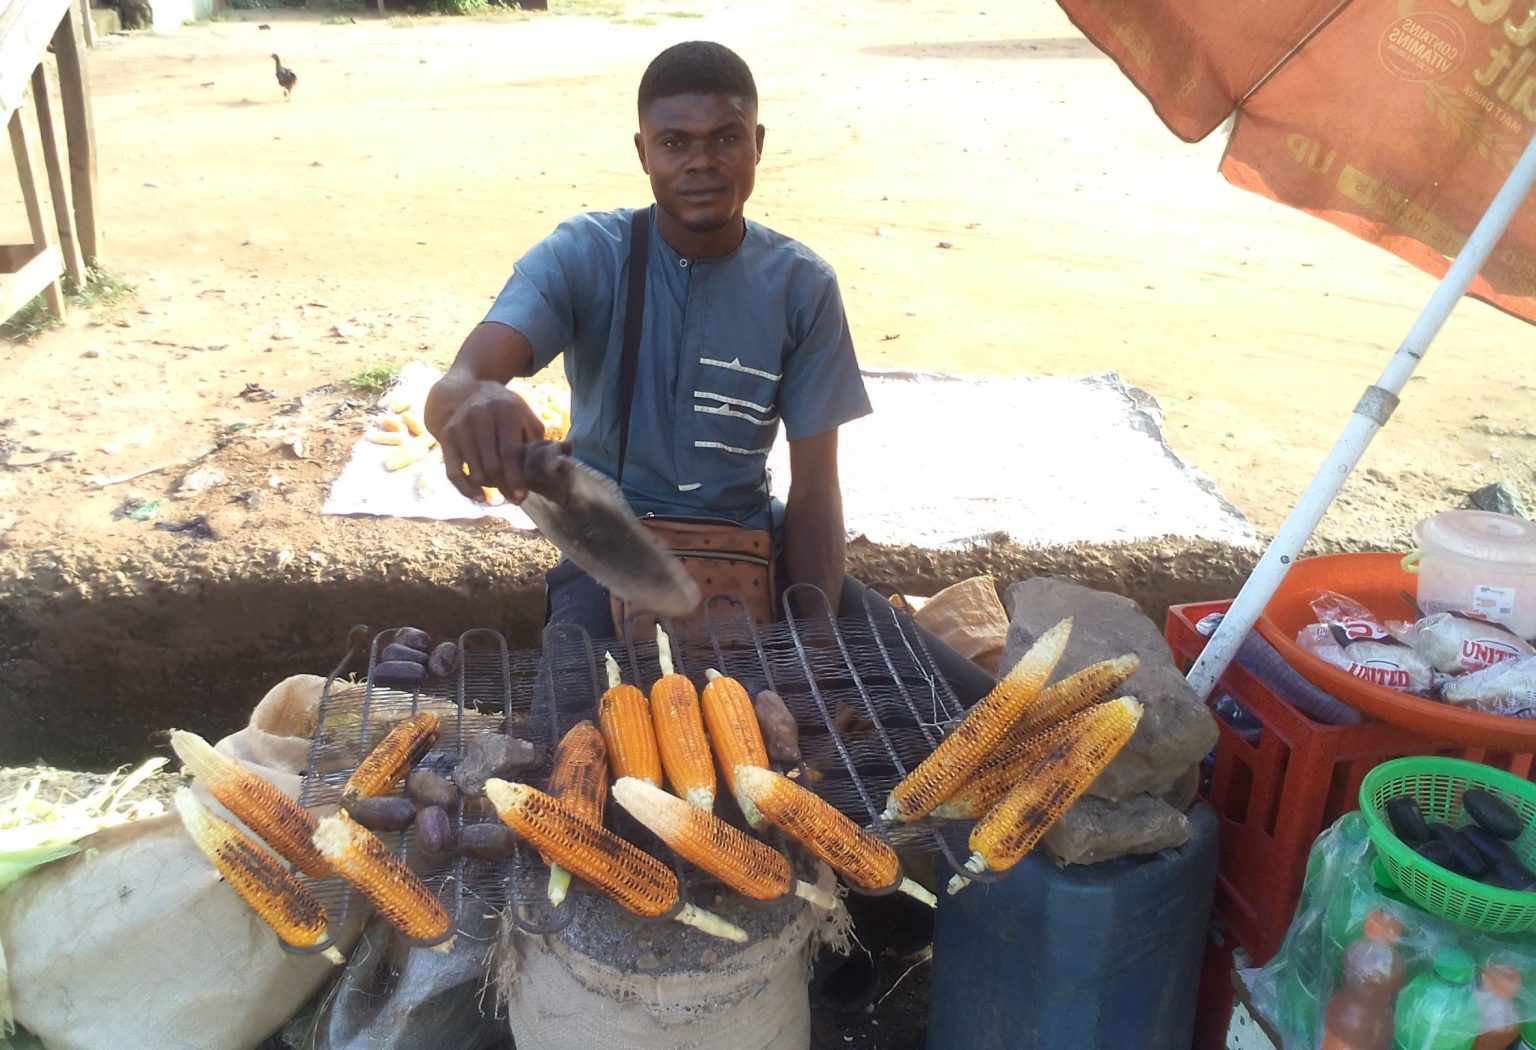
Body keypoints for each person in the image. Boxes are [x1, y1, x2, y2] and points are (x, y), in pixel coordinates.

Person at [424, 40, 871, 640]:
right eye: (674, 142)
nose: (702, 162)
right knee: (577, 709)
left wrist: (818, 638)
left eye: (725, 137)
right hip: (612, 554)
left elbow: (817, 481)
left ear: (757, 144)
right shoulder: (585, 255)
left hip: (754, 545)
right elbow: (456, 386)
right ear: (643, 153)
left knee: (935, 690)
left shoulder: (801, 285)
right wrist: (475, 401)